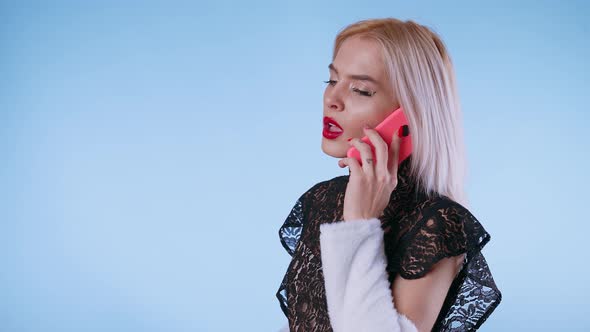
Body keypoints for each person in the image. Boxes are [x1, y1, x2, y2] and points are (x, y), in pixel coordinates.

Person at [276, 18, 502, 332]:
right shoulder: (322, 199)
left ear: (409, 117)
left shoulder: (437, 224)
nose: (332, 99)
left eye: (360, 90)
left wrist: (359, 224)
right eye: (331, 81)